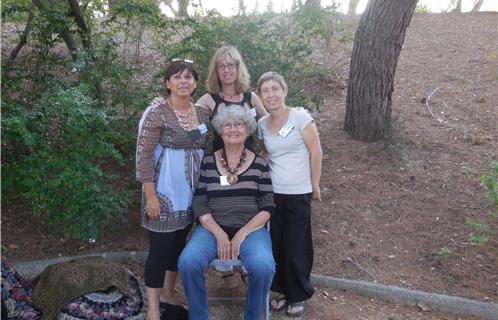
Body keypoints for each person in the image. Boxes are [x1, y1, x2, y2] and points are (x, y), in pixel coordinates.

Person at [178, 105, 275, 320]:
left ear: (247, 130)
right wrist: (219, 234)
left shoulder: (260, 164)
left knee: (263, 266)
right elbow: (200, 201)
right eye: (227, 125)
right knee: (188, 262)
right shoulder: (208, 162)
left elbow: (268, 206)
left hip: (251, 230)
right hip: (212, 228)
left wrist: (241, 235)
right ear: (220, 131)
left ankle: (253, 316)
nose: (233, 129)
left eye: (239, 124)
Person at [136, 59, 210, 320]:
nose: (183, 81)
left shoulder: (202, 113)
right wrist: (151, 196)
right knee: (159, 251)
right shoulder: (156, 112)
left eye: (188, 77)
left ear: (195, 83)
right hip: (164, 194)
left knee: (178, 246)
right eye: (177, 77)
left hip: (191, 194)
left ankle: (168, 293)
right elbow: (143, 156)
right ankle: (153, 310)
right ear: (168, 83)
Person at [256, 72, 323, 318]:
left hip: (298, 192)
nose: (271, 95)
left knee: (297, 246)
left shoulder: (300, 117)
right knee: (278, 245)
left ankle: (299, 294)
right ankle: (283, 290)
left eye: (275, 89)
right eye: (265, 91)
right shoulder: (263, 124)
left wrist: (314, 185)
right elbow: (268, 153)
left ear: (284, 91)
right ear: (260, 96)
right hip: (273, 194)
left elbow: (316, 153)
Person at [196, 45, 267, 152]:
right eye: (221, 66)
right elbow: (185, 117)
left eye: (231, 65)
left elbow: (271, 124)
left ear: (239, 68)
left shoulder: (251, 98)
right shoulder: (208, 100)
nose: (226, 70)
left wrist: (291, 113)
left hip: (250, 164)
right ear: (216, 71)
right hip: (219, 164)